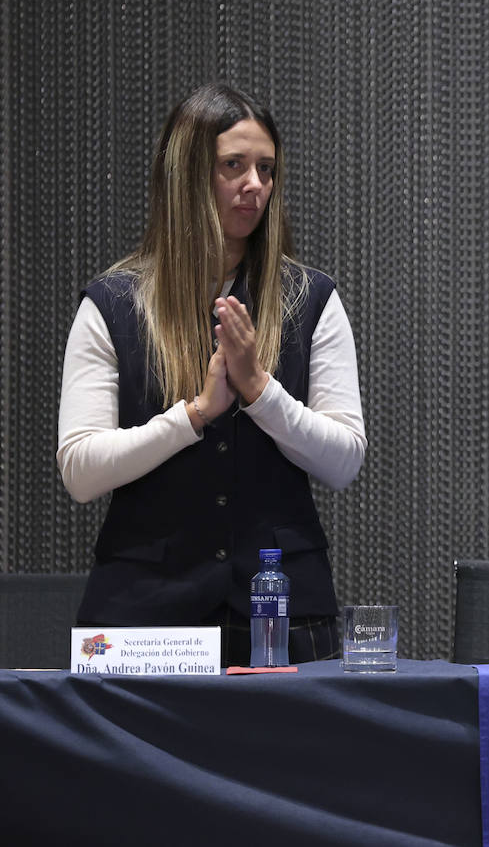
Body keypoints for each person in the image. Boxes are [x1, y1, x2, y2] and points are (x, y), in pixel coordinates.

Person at [57, 83, 367, 666]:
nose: (256, 185)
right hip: (145, 620)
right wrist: (195, 414)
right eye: (234, 166)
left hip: (284, 616)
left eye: (267, 168)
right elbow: (80, 471)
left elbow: (344, 459)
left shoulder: (311, 298)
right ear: (188, 174)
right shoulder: (113, 302)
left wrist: (259, 391)